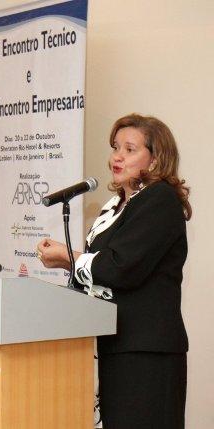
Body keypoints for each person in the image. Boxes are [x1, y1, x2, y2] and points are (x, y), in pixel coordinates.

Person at [36, 113, 190, 429]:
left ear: (156, 158)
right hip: (115, 344)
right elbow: (101, 273)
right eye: (115, 147)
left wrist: (69, 257)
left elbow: (122, 267)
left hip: (145, 352)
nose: (117, 157)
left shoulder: (160, 199)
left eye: (129, 149)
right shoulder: (115, 206)